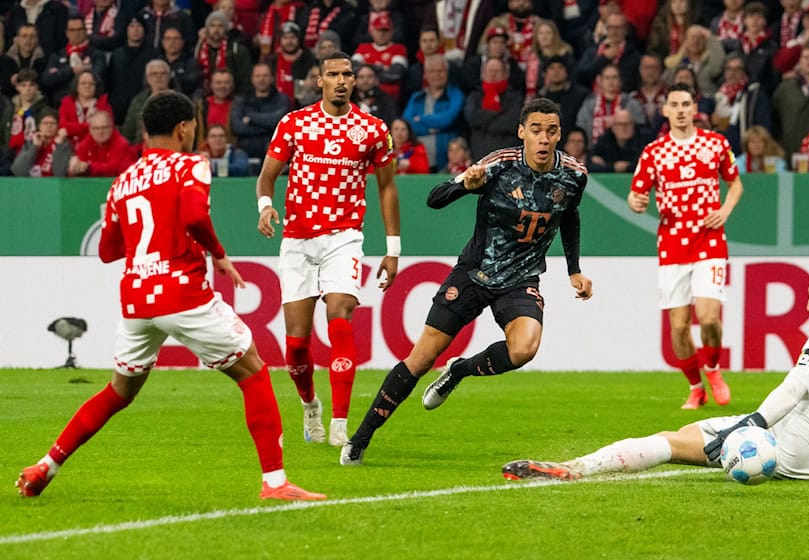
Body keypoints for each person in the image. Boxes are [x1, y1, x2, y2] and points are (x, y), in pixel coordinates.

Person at [16, 91, 325, 502]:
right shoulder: (190, 164)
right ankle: (275, 483)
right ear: (184, 128)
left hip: (137, 300)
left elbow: (109, 251)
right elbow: (195, 214)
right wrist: (219, 256)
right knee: (253, 372)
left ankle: (45, 465)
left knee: (117, 393)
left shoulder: (123, 181)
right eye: (193, 126)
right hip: (182, 292)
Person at [502, 264, 809, 483]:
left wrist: (749, 425)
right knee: (693, 431)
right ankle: (592, 464)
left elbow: (796, 389)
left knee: (670, 442)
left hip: (786, 451)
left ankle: (576, 469)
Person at [340, 97, 593, 466]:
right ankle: (359, 440)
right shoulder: (498, 164)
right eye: (535, 130)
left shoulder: (574, 175)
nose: (543, 138)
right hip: (474, 274)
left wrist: (574, 270)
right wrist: (465, 185)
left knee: (524, 349)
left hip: (520, 279)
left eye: (551, 131)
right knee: (421, 358)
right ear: (522, 132)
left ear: (559, 135)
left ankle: (460, 370)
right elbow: (434, 199)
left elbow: (569, 216)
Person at [256, 52, 400, 448]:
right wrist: (265, 206)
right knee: (297, 344)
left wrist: (393, 248)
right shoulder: (294, 123)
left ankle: (340, 421)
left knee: (340, 314)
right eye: (333, 74)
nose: (341, 80)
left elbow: (387, 186)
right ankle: (310, 406)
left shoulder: (372, 129)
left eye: (347, 74)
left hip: (344, 237)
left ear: (355, 81)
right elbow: (267, 177)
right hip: (298, 240)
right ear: (318, 81)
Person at [628, 83, 744, 410]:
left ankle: (714, 369)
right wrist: (636, 202)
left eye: (685, 104)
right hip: (672, 244)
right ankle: (696, 387)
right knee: (678, 327)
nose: (680, 110)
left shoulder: (716, 144)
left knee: (708, 317)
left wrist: (724, 210)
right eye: (674, 104)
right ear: (665, 110)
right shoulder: (653, 152)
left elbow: (735, 184)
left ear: (695, 109)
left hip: (709, 240)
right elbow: (636, 193)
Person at [68, 110, 135, 177]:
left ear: (112, 127)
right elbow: (79, 167)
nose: (100, 132)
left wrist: (88, 167)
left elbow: (113, 169)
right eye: (96, 128)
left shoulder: (122, 144)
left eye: (104, 127)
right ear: (90, 129)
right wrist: (75, 167)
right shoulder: (84, 145)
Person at [11, 109, 71, 177]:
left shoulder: (64, 144)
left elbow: (60, 174)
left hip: (53, 186)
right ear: (39, 126)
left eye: (52, 123)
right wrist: (34, 147)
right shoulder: (30, 143)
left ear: (58, 126)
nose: (49, 126)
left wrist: (59, 146)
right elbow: (17, 171)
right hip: (30, 185)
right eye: (45, 123)